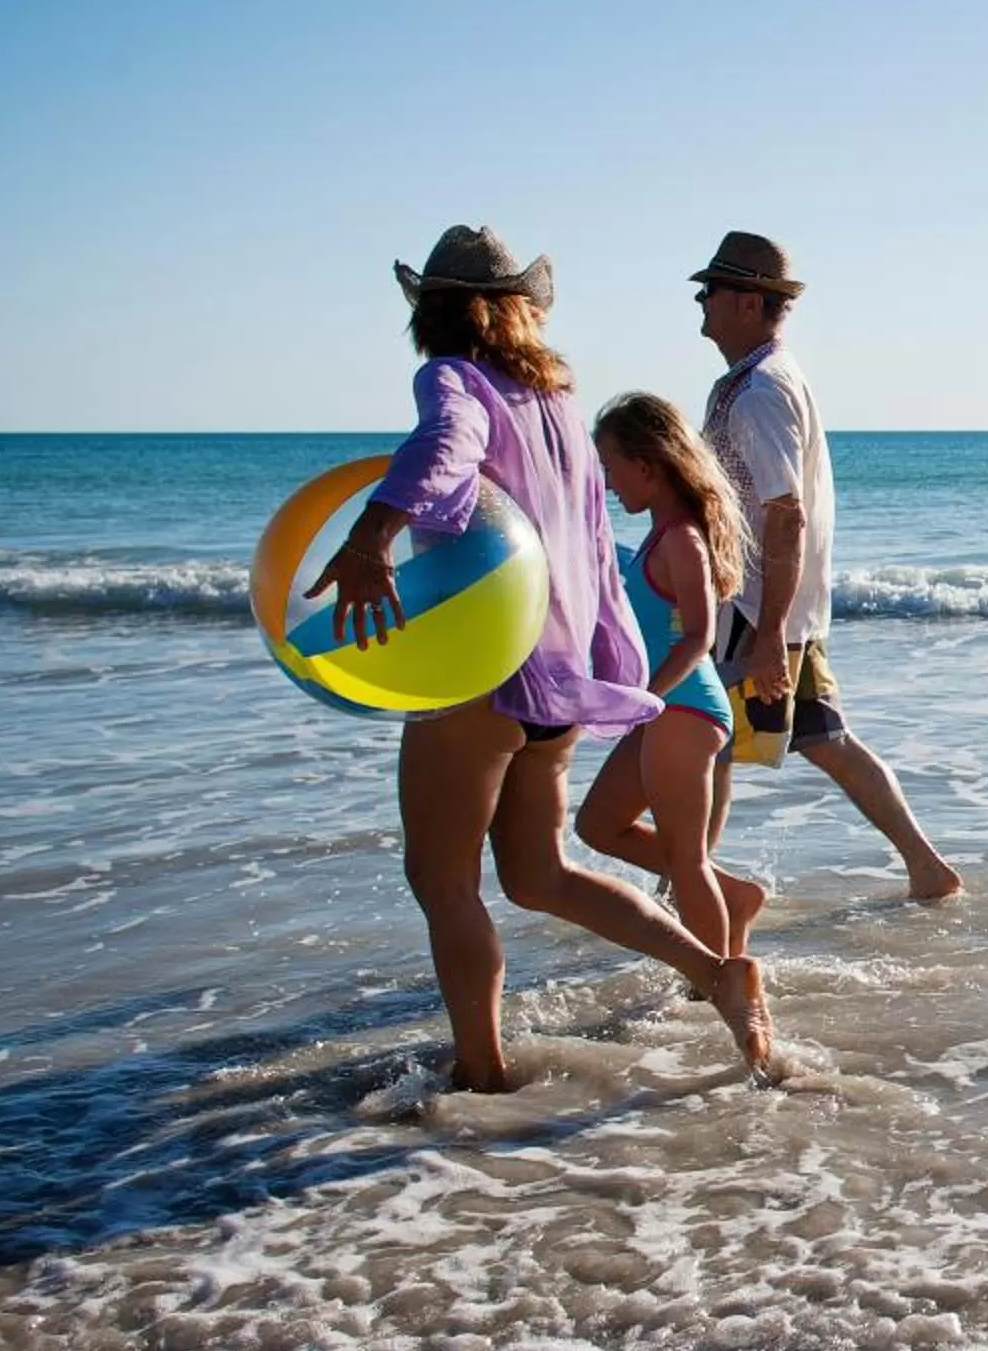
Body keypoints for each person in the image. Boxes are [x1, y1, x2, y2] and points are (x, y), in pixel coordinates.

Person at [306, 226, 772, 1091]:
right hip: (554, 679)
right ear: (521, 309)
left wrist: (373, 537)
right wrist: (606, 667)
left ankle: (480, 1072)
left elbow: (441, 449)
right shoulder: (557, 404)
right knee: (538, 873)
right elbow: (595, 546)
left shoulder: (453, 378)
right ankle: (716, 972)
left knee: (441, 878)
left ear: (438, 311)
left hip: (480, 667)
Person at [690, 230, 963, 900]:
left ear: (749, 303)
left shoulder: (760, 392)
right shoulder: (755, 380)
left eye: (713, 289)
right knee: (813, 737)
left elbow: (785, 514)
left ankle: (693, 889)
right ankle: (926, 868)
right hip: (767, 606)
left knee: (709, 742)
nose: (701, 299)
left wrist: (769, 638)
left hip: (760, 611)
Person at [576, 391, 770, 961]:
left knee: (686, 864)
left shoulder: (683, 538)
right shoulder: (658, 535)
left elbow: (698, 637)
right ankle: (732, 897)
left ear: (648, 466)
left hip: (684, 708)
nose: (609, 484)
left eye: (610, 467)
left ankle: (714, 984)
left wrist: (643, 699)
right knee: (598, 825)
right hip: (662, 708)